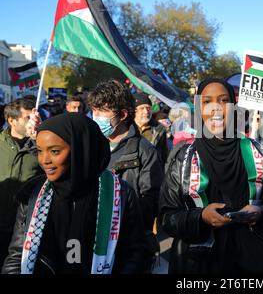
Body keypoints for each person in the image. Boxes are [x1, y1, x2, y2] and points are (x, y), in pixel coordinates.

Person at [159, 78, 263, 274]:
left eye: (224, 100)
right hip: (199, 265)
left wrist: (260, 213)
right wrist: (200, 217)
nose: (216, 108)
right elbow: (167, 217)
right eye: (207, 102)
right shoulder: (183, 159)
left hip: (253, 263)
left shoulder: (256, 152)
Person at [2, 113, 150, 274]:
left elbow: (135, 254)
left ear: (80, 149)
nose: (44, 160)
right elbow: (17, 257)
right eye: (39, 151)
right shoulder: (32, 195)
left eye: (55, 151)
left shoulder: (119, 194)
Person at [88, 80, 164, 267]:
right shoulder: (90, 147)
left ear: (122, 114)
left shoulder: (146, 152)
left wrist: (113, 216)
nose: (95, 116)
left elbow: (152, 201)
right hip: (92, 244)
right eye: (93, 110)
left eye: (101, 111)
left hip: (128, 247)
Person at [0, 98, 43, 268]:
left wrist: (37, 141)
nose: (32, 122)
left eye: (34, 117)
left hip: (24, 230)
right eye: (27, 118)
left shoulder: (40, 146)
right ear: (11, 120)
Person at [133, 92, 169, 163]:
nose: (146, 111)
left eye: (148, 108)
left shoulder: (159, 129)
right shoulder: (126, 128)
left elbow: (165, 156)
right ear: (134, 111)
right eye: (142, 108)